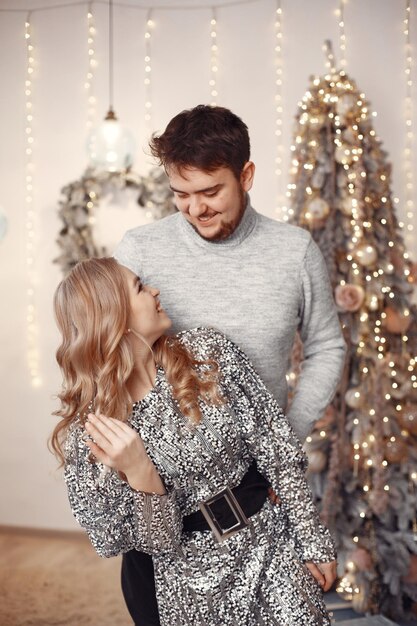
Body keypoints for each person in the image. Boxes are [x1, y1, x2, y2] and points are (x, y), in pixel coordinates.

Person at [52, 256, 337, 626]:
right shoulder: (93, 431)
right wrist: (142, 475)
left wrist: (311, 540)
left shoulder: (207, 352)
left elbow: (277, 450)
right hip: (185, 583)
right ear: (114, 319)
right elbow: (120, 542)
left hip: (269, 543)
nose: (154, 290)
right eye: (139, 287)